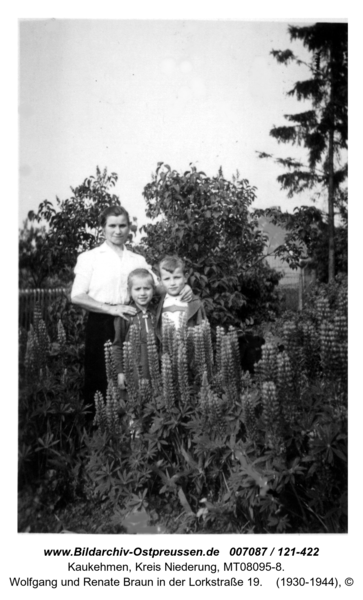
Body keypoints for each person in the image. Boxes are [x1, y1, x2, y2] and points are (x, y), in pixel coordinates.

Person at [71, 206, 192, 415]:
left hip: (132, 320)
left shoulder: (137, 260)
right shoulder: (89, 257)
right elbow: (77, 296)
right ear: (103, 228)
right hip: (101, 322)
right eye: (112, 226)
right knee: (99, 378)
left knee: (135, 377)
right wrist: (109, 309)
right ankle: (98, 432)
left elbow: (158, 286)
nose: (117, 231)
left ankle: (134, 428)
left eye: (122, 225)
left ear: (129, 228)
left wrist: (182, 286)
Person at [112, 268, 157, 391]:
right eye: (137, 289)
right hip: (133, 368)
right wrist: (120, 372)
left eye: (147, 288)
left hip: (155, 368)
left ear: (153, 290)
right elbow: (117, 345)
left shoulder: (156, 313)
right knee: (136, 400)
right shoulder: (125, 315)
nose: (142, 293)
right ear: (129, 291)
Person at [155, 255, 206, 340]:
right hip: (167, 348)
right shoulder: (160, 301)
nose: (172, 283)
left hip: (190, 347)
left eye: (177, 277)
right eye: (167, 279)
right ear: (160, 281)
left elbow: (203, 326)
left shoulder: (194, 301)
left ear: (185, 278)